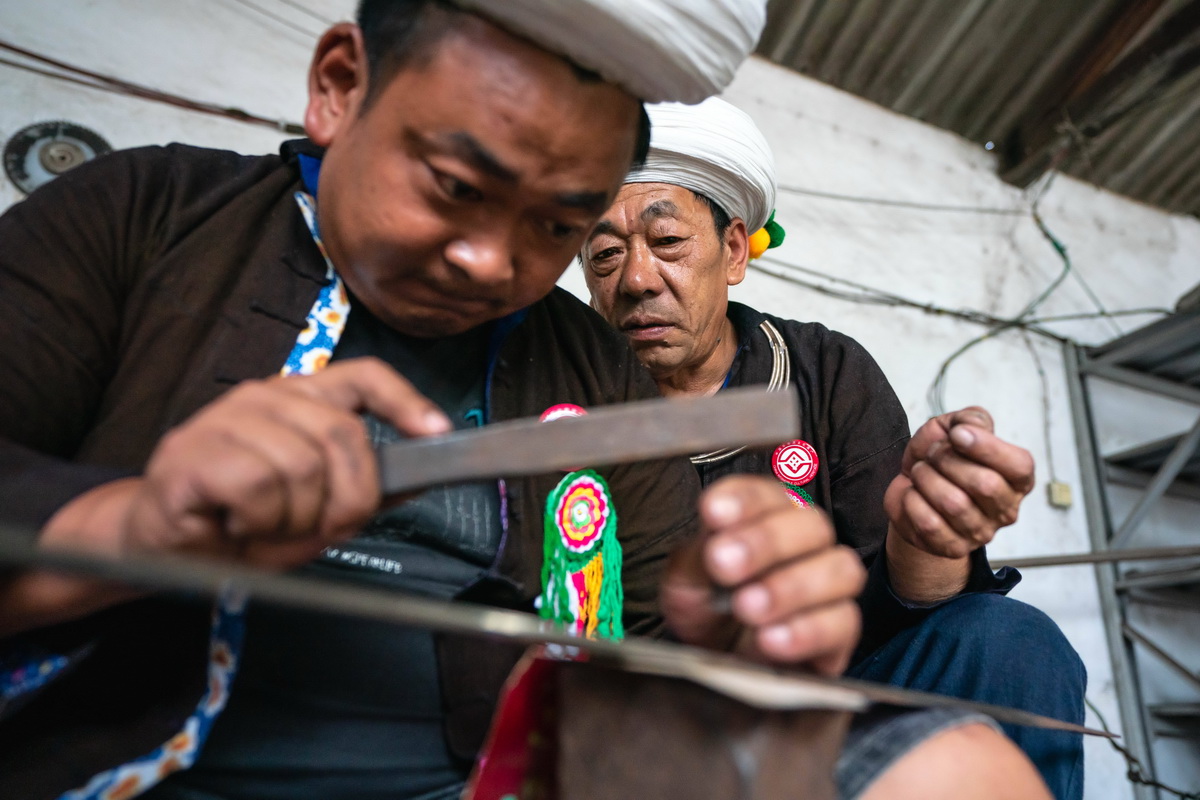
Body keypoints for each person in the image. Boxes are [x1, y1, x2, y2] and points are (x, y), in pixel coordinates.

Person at [0, 2, 1049, 799]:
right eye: (455, 186)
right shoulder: (146, 216)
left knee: (958, 766)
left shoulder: (588, 366)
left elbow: (647, 655)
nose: (491, 259)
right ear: (340, 84)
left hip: (507, 770)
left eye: (555, 225)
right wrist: (136, 522)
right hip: (128, 757)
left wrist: (734, 640)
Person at [582, 97, 1087, 799]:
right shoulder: (568, 406)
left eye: (667, 243)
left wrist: (927, 538)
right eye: (604, 255)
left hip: (840, 693)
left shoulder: (824, 371)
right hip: (658, 723)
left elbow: (903, 604)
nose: (634, 279)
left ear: (733, 252)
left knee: (1009, 642)